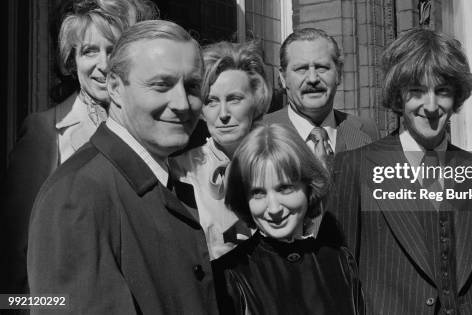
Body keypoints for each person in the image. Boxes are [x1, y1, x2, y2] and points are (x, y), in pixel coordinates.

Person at [27, 20, 219, 314]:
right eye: (161, 85)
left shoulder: (159, 180)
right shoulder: (79, 194)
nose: (182, 103)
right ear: (115, 88)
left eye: (192, 86)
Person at [327, 28, 472, 314]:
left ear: (456, 96)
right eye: (417, 91)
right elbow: (339, 277)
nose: (431, 106)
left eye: (442, 91)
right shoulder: (354, 168)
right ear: (398, 96)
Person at [1, 0, 157, 294]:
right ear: (72, 60)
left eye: (113, 50)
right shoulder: (44, 133)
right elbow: (12, 263)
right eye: (89, 51)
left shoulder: (152, 132)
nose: (102, 65)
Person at [214, 123, 364, 315]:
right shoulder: (228, 275)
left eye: (284, 188)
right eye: (258, 193)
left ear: (308, 186)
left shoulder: (341, 262)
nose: (274, 208)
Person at [171, 41, 271, 259]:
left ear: (256, 100)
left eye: (234, 99)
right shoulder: (182, 171)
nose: (223, 113)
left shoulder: (277, 160)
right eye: (212, 101)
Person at [263, 28, 378, 163]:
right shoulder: (258, 132)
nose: (312, 79)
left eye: (321, 67)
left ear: (338, 74)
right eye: (301, 69)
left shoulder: (368, 131)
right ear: (283, 78)